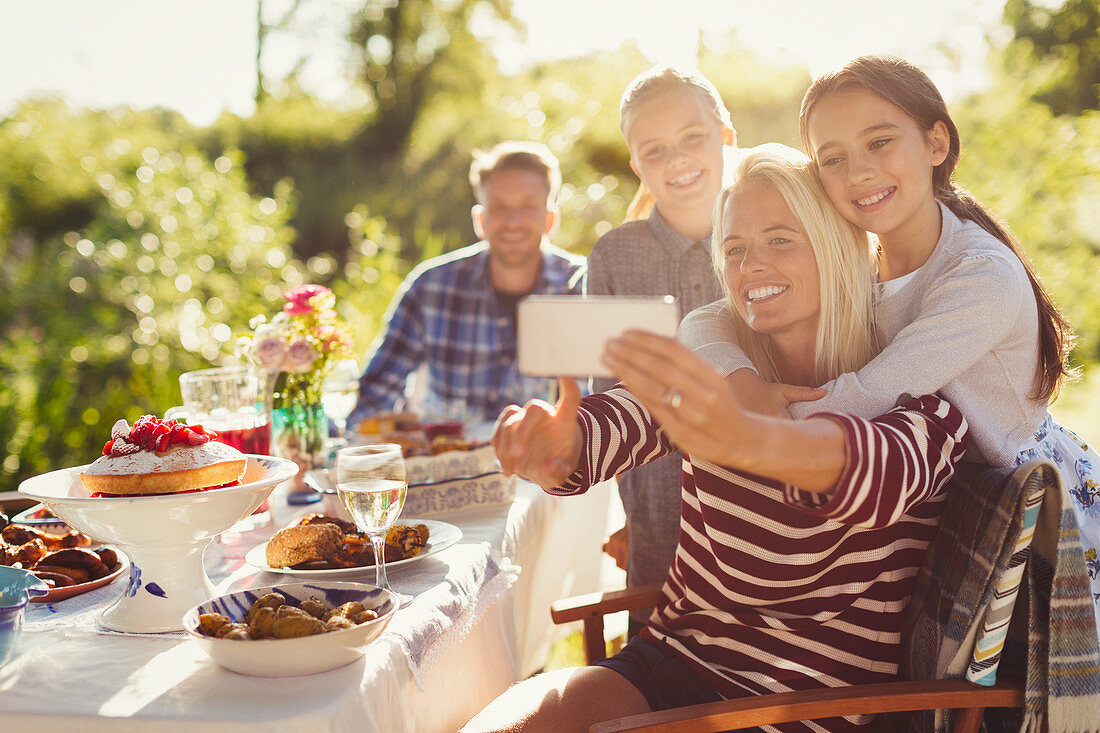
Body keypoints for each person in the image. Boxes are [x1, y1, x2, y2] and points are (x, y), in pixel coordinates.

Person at [462, 144, 968, 733]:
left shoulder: (921, 401)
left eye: (780, 239)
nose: (751, 265)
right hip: (670, 662)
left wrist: (748, 437)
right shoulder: (718, 373)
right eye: (734, 249)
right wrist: (558, 448)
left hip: (800, 709)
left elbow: (865, 472)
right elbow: (619, 424)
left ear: (837, 247)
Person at [679, 55, 1100, 632]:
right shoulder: (859, 262)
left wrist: (748, 429)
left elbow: (873, 392)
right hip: (928, 504)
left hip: (1024, 512)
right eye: (833, 159)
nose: (859, 173)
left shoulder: (979, 278)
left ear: (935, 142)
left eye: (880, 142)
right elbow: (710, 319)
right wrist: (740, 381)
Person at [584, 67, 746, 633]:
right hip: (662, 514)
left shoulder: (776, 231)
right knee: (660, 673)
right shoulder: (614, 256)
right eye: (654, 150)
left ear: (726, 134)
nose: (676, 160)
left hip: (768, 508)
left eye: (692, 138)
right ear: (637, 165)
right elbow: (608, 402)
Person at [346, 141, 586, 430]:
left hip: (548, 467)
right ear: (480, 220)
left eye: (528, 206)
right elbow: (377, 392)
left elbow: (603, 404)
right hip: (445, 465)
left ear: (550, 220)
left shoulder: (585, 286)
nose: (513, 221)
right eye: (499, 207)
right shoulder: (430, 286)